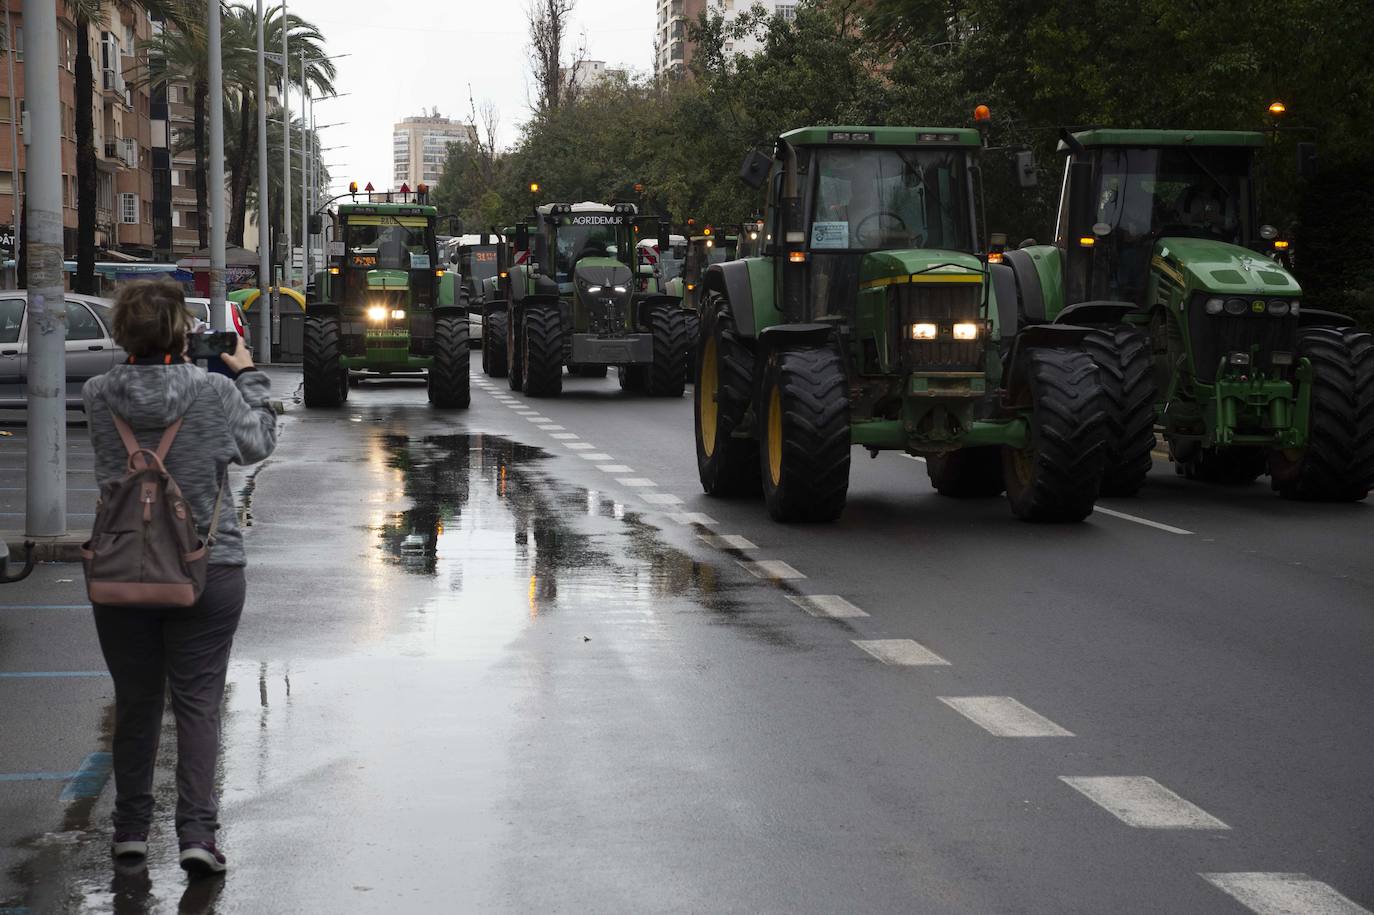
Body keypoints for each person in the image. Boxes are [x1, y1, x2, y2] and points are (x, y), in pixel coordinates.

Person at [82, 279, 278, 877]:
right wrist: (250, 377)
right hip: (207, 568)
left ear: (122, 332)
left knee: (135, 704)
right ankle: (197, 834)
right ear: (183, 332)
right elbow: (257, 446)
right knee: (197, 706)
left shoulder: (96, 395)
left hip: (121, 572)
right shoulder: (214, 390)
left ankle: (130, 833)